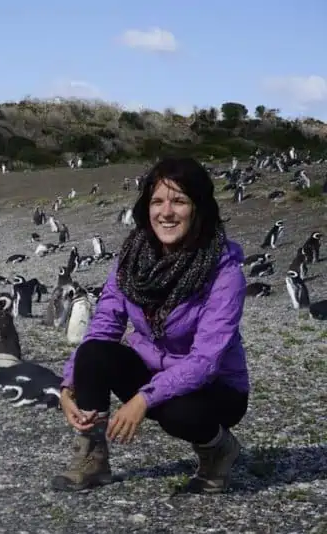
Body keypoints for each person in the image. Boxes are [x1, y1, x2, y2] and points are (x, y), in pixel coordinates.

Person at [51, 156, 250, 494]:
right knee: (93, 354)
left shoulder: (223, 271)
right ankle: (92, 456)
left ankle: (218, 450)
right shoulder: (131, 261)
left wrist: (142, 400)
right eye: (157, 201)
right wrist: (68, 385)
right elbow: (103, 327)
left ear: (200, 208)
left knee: (177, 412)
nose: (166, 212)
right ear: (145, 207)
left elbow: (204, 361)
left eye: (180, 201)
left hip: (217, 387)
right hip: (155, 371)